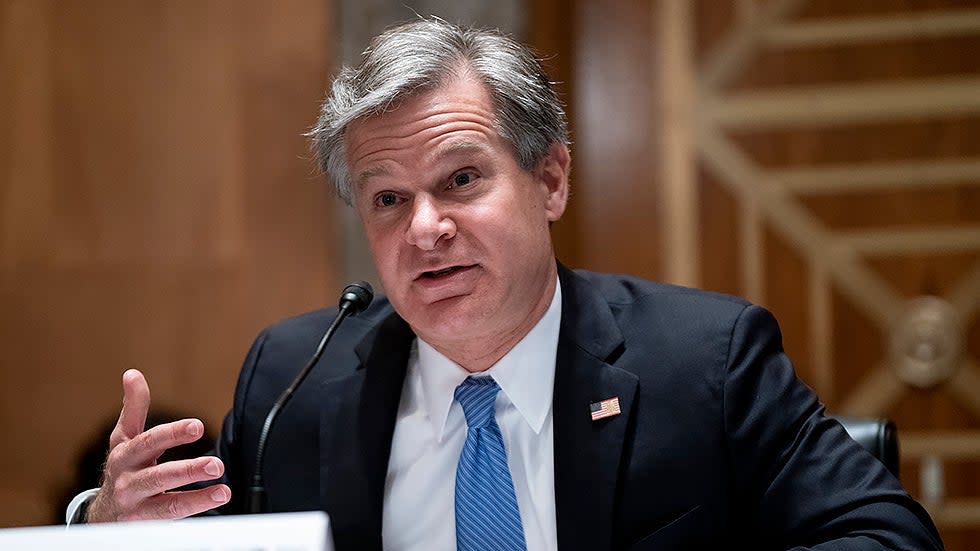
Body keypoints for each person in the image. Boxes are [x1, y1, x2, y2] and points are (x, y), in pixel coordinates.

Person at [69, 18, 945, 551]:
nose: (424, 228)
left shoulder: (705, 361)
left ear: (551, 179)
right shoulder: (294, 382)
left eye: (460, 180)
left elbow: (886, 535)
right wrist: (106, 529)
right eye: (387, 198)